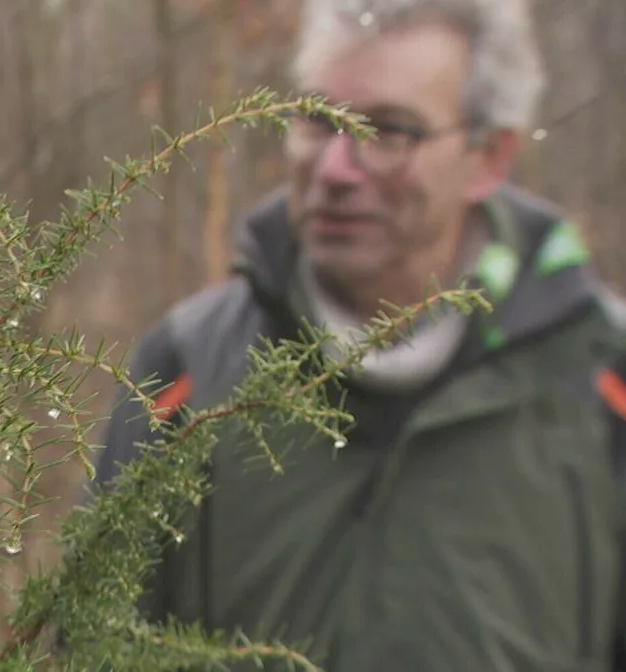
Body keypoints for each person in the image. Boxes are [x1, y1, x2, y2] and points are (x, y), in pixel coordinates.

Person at [88, 0, 626, 670]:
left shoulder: (603, 384)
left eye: (391, 130)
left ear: (487, 157)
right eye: (319, 121)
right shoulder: (189, 371)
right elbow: (92, 645)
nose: (339, 170)